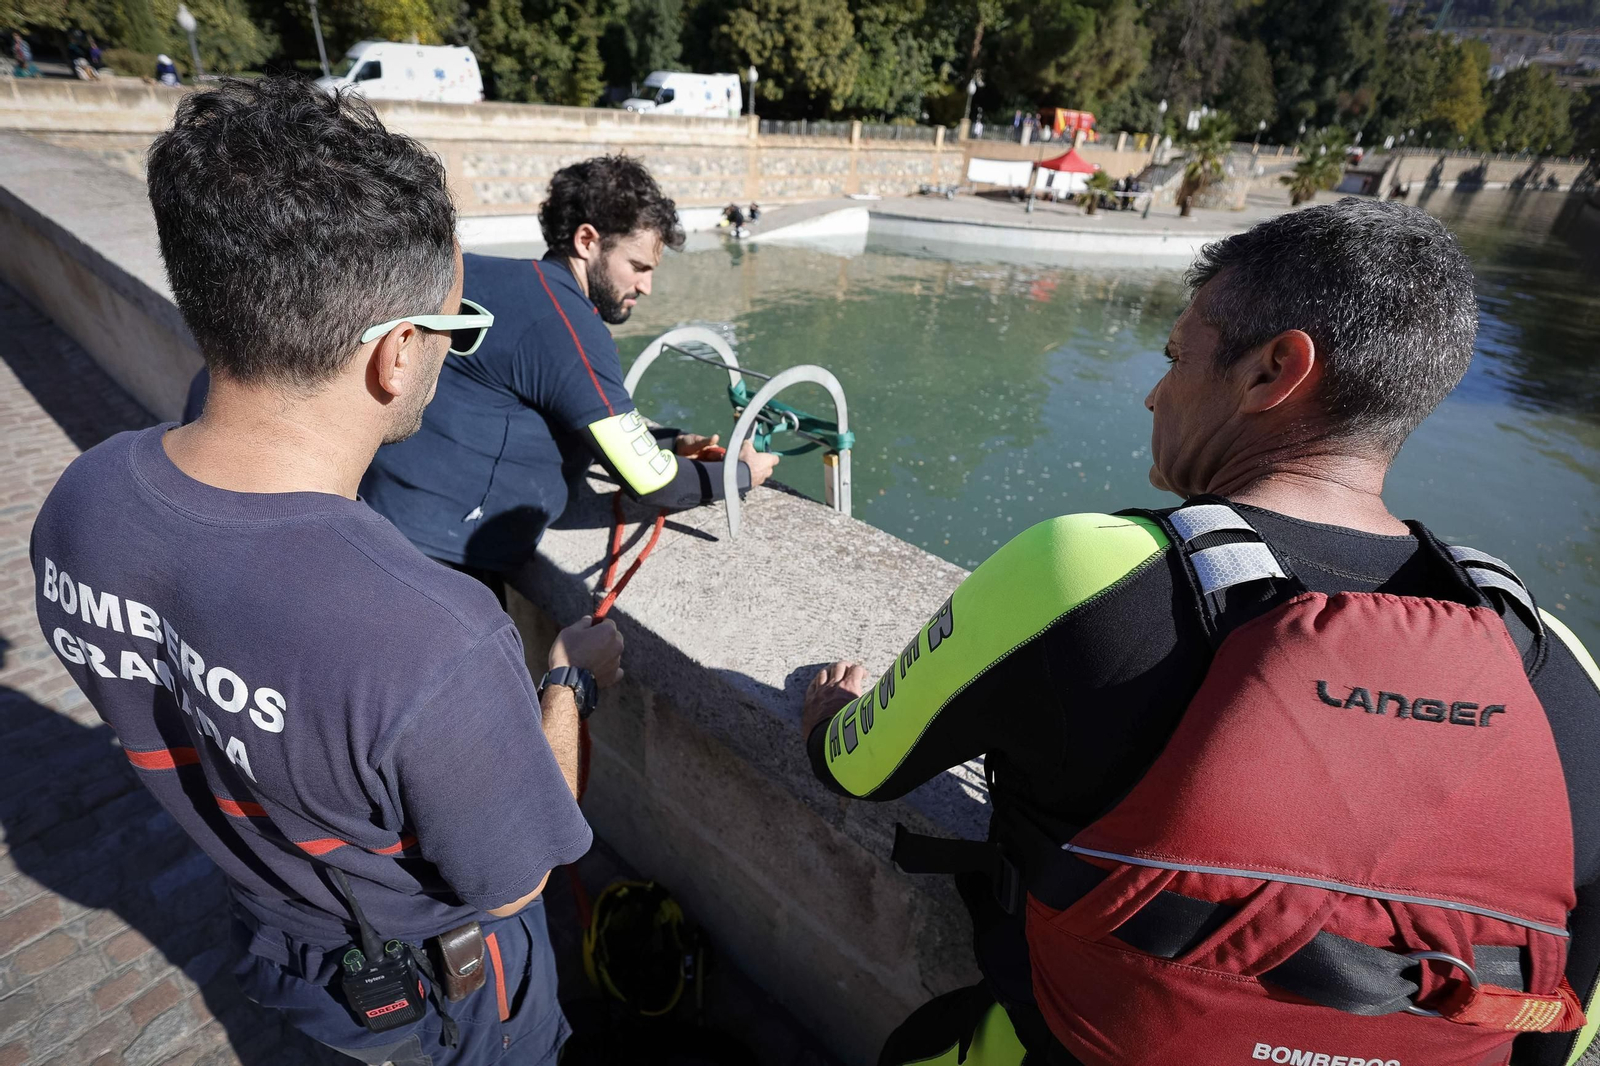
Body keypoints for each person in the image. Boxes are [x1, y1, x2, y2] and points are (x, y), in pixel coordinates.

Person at [798, 199, 1600, 1066]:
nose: (1154, 391)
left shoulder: (1086, 573)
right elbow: (1565, 1017)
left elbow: (859, 765)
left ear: (1273, 372)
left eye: (1177, 356)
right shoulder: (1548, 658)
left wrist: (829, 714)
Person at [32, 77, 619, 1065]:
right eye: (451, 330)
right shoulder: (433, 639)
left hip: (281, 953)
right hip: (447, 997)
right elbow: (513, 881)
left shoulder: (78, 508)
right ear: (396, 353)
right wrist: (569, 681)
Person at [360, 156, 777, 602]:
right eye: (638, 266)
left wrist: (671, 440)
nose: (647, 286)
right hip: (441, 568)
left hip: (369, 517)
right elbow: (651, 481)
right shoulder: (566, 325)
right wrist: (739, 474)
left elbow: (533, 403)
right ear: (587, 240)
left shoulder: (475, 271)